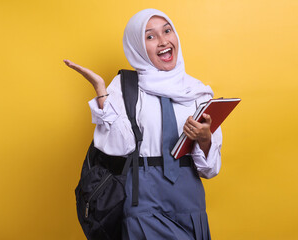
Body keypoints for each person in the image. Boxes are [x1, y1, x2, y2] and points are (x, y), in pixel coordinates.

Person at [64, 8, 222, 240]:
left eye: (167, 31)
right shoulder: (124, 86)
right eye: (150, 36)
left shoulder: (197, 92)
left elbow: (210, 169)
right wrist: (101, 92)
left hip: (189, 198)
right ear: (137, 46)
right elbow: (119, 147)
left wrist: (205, 139)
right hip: (143, 195)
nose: (163, 41)